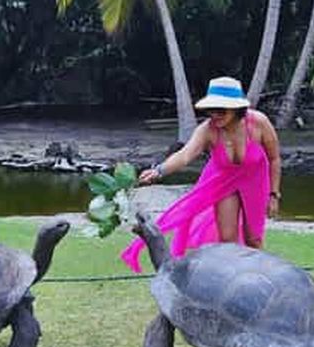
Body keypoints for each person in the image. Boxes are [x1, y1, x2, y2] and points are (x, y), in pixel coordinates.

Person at [121, 76, 282, 273]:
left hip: (255, 181)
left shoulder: (258, 123)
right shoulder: (207, 130)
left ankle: (256, 276)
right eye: (211, 109)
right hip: (223, 182)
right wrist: (159, 171)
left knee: (253, 238)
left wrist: (274, 194)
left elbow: (274, 158)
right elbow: (185, 155)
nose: (215, 115)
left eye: (221, 110)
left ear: (236, 108)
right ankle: (231, 276)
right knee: (227, 239)